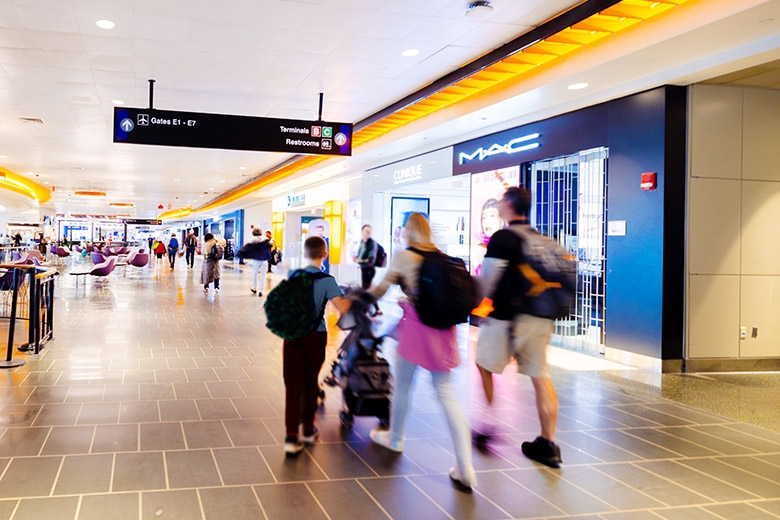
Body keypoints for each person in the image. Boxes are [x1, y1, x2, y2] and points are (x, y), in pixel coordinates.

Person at [368, 213, 476, 490]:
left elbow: (380, 290)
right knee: (447, 395)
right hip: (444, 331)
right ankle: (466, 468)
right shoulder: (441, 256)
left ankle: (395, 438)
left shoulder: (405, 257)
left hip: (417, 328)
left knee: (402, 386)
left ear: (408, 232)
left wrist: (359, 298)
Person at [475, 186, 562, 468]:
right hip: (541, 316)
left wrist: (470, 301)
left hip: (508, 318)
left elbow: (488, 280)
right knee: (540, 376)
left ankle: (488, 425)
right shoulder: (541, 238)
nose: (498, 206)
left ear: (509, 206)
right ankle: (548, 444)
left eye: (501, 202)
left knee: (484, 364)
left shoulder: (502, 238)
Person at [282, 236, 348, 455]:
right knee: (310, 382)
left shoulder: (293, 276)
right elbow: (343, 308)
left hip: (292, 335)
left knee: (292, 386)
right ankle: (309, 430)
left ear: (304, 253)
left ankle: (292, 437)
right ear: (325, 254)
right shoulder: (328, 280)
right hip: (316, 335)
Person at [353, 224, 381, 315]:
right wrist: (357, 259)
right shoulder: (362, 242)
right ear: (362, 232)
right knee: (368, 290)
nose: (368, 232)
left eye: (370, 231)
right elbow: (361, 254)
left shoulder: (372, 243)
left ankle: (365, 310)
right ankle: (376, 309)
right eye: (366, 231)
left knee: (365, 290)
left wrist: (359, 260)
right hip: (363, 269)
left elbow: (371, 260)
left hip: (369, 270)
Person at [246, 228, 272, 296]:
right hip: (264, 259)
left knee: (255, 273)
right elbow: (270, 245)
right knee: (263, 275)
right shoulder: (265, 238)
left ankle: (254, 288)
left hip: (256, 259)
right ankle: (261, 290)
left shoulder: (253, 240)